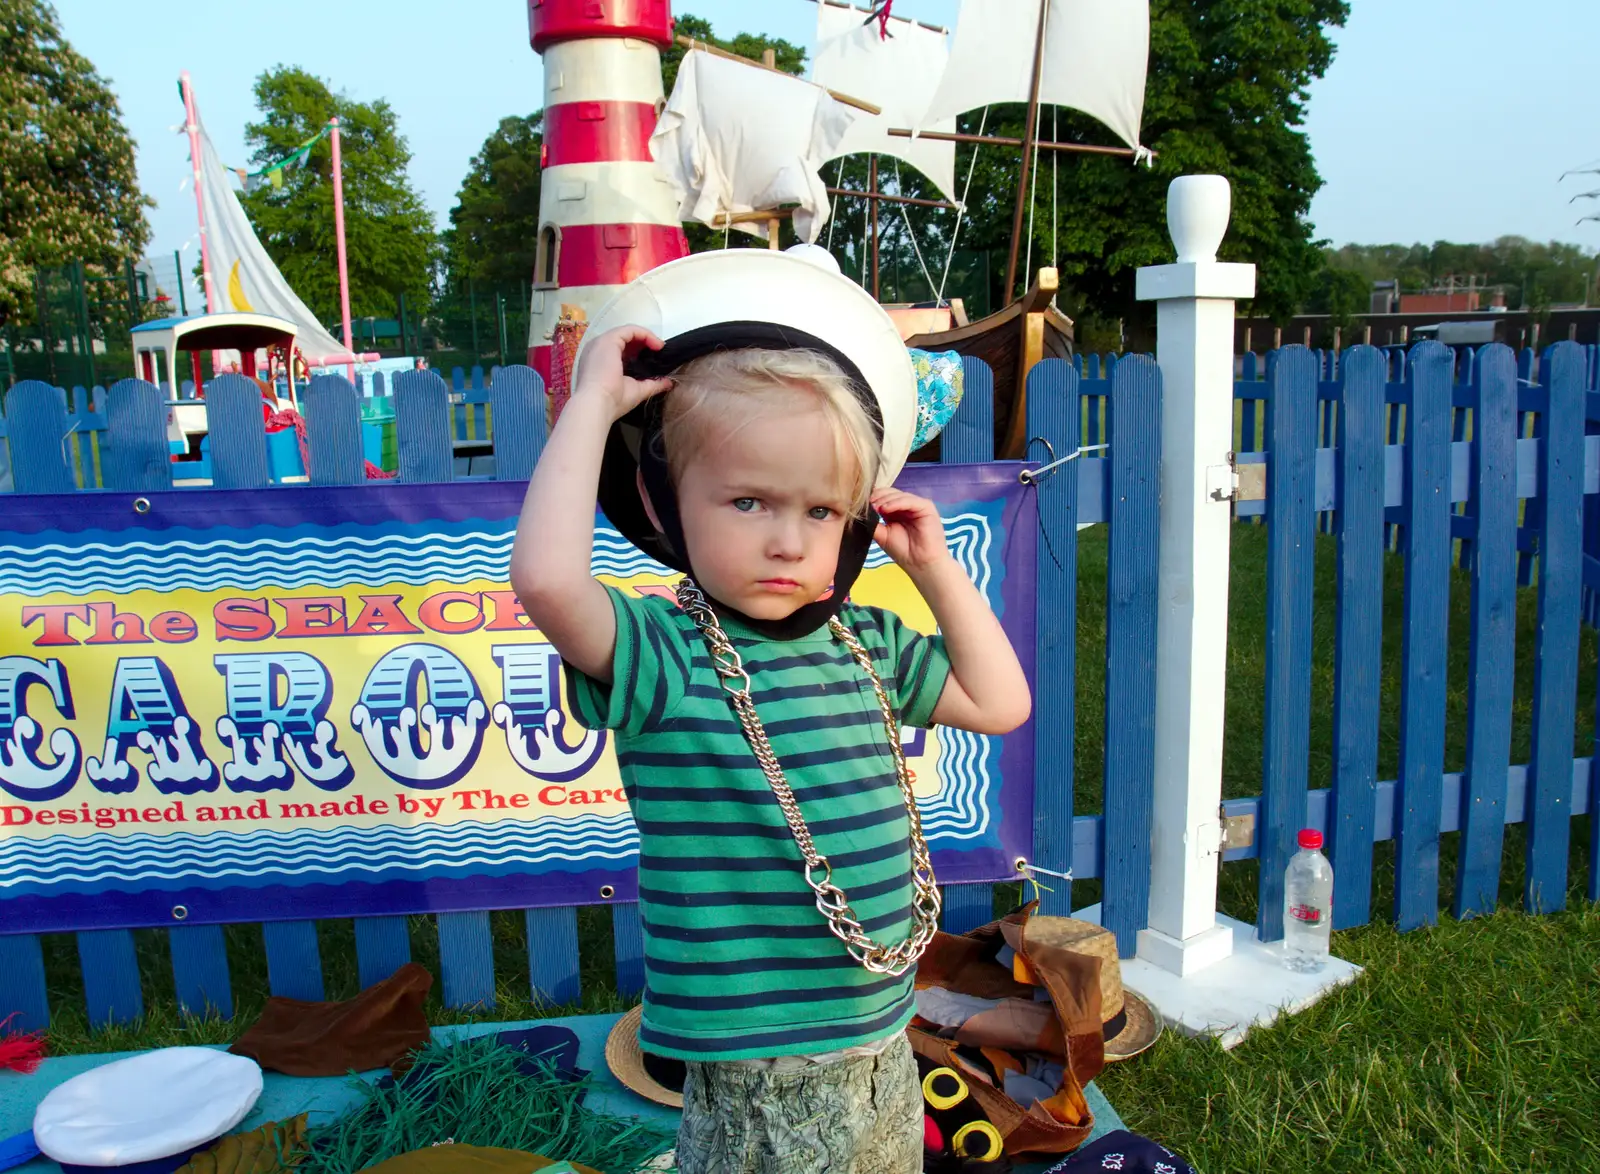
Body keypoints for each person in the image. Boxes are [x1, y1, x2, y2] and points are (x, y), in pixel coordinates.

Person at [509, 247, 1030, 1174]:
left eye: (823, 512)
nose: (789, 540)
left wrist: (936, 569)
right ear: (663, 502)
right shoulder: (664, 656)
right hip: (758, 1053)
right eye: (748, 500)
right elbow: (548, 580)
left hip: (880, 1024)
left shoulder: (867, 644)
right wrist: (592, 403)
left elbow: (1000, 702)